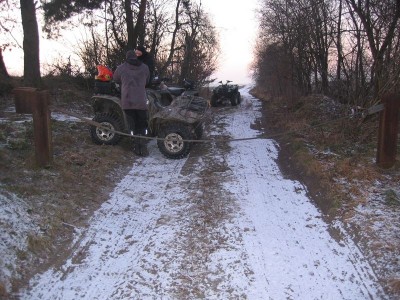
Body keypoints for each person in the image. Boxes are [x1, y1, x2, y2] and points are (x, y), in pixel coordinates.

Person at [113, 50, 150, 156]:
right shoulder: (145, 68)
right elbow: (147, 81)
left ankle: (135, 146)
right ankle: (143, 145)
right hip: (141, 101)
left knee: (131, 125)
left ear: (127, 58)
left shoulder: (121, 68)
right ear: (136, 57)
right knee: (142, 125)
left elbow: (115, 79)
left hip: (127, 101)